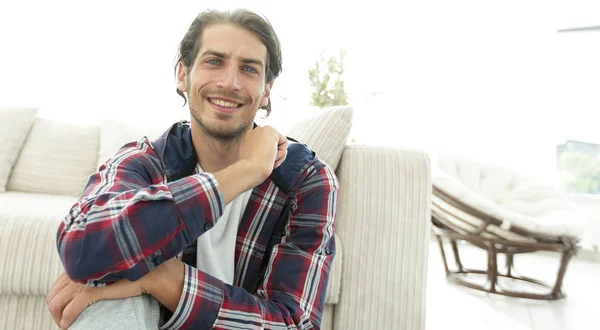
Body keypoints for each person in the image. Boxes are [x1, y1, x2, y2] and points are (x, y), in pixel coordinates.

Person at [45, 8, 338, 330]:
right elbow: (81, 249)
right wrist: (246, 171)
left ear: (266, 90)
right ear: (183, 74)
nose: (230, 82)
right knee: (119, 298)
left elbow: (295, 323)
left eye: (249, 69)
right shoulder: (145, 160)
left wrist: (160, 276)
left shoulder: (305, 179)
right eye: (214, 61)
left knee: (123, 271)